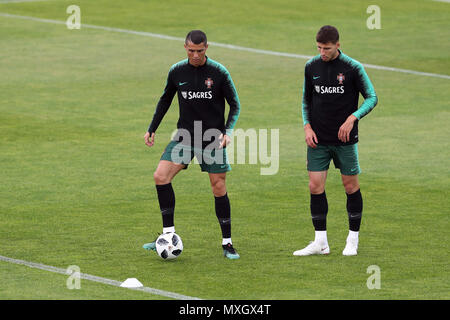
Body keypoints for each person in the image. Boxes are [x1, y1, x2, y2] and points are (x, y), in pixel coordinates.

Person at [143, 30, 241, 259]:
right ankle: (167, 236)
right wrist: (152, 128)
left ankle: (227, 243)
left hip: (212, 139)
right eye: (191, 50)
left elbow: (235, 104)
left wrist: (227, 132)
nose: (195, 55)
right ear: (184, 47)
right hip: (184, 137)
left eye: (199, 51)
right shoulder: (177, 71)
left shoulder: (218, 72)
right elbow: (165, 99)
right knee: (160, 176)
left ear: (207, 47)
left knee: (218, 187)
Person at [294, 25, 378, 256]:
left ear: (338, 45)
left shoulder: (352, 68)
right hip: (317, 139)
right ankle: (320, 242)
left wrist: (353, 118)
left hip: (345, 140)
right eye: (319, 47)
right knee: (315, 186)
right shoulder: (311, 66)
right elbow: (305, 100)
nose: (322, 52)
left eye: (327, 48)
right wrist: (307, 126)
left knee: (350, 186)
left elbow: (372, 97)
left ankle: (352, 239)